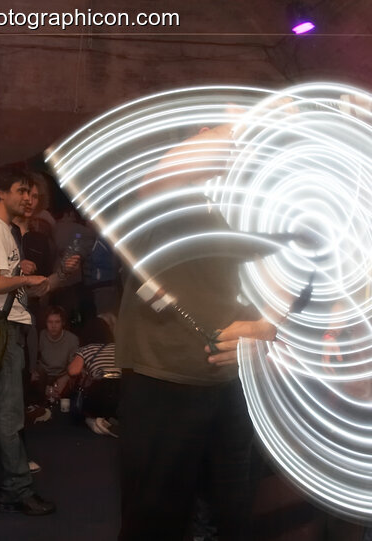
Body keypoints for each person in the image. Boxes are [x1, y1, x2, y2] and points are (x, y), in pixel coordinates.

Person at [115, 123, 277, 539]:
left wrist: (264, 326)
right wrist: (223, 130)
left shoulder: (215, 206)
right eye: (231, 140)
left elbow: (242, 285)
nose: (240, 148)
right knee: (155, 518)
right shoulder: (162, 194)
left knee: (226, 515)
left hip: (225, 381)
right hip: (165, 382)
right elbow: (157, 183)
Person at [0, 166, 55, 515]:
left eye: (30, 192)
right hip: (1, 330)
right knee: (9, 416)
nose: (27, 198)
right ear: (2, 193)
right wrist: (26, 282)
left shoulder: (0, 229)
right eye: (20, 190)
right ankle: (18, 490)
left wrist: (18, 274)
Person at [29, 306, 79, 407]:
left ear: (63, 323)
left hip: (62, 375)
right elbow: (34, 360)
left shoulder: (72, 339)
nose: (53, 326)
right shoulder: (40, 336)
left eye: (57, 322)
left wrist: (65, 378)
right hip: (44, 376)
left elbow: (74, 365)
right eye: (50, 322)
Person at [67, 342, 119, 437]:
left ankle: (94, 421)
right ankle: (112, 420)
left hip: (101, 388)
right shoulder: (123, 348)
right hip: (121, 389)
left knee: (85, 409)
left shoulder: (87, 348)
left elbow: (73, 371)